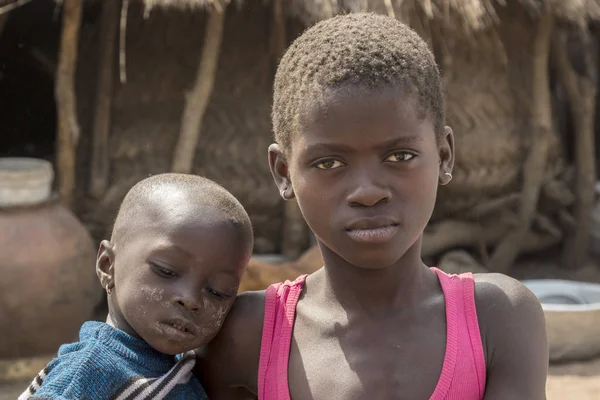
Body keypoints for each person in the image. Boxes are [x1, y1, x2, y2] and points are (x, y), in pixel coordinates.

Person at [196, 12, 548, 400]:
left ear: (445, 155)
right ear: (283, 172)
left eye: (399, 156)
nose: (367, 192)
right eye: (328, 163)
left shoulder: (497, 320)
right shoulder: (249, 335)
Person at [20, 173, 254, 400]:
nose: (191, 298)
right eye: (166, 271)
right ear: (107, 265)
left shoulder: (182, 369)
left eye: (218, 291)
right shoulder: (89, 372)